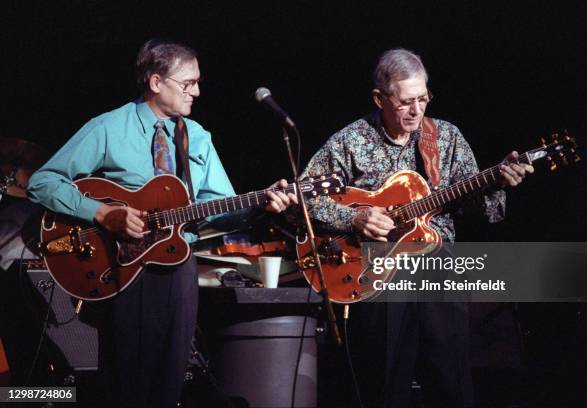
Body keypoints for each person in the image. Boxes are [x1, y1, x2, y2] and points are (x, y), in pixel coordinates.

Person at [27, 39, 297, 408]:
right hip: (121, 266)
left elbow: (216, 206)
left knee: (169, 382)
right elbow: (42, 182)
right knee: (126, 383)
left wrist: (261, 204)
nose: (197, 92)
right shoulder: (108, 127)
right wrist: (102, 213)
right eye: (188, 84)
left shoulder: (197, 137)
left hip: (178, 266)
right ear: (156, 82)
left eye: (198, 82)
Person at [300, 48, 533, 407]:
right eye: (406, 101)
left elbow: (487, 214)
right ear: (380, 98)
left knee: (451, 384)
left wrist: (498, 183)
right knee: (384, 384)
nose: (416, 110)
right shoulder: (350, 141)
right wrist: (354, 218)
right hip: (377, 273)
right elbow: (303, 196)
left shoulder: (446, 138)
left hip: (437, 270)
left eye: (423, 99)